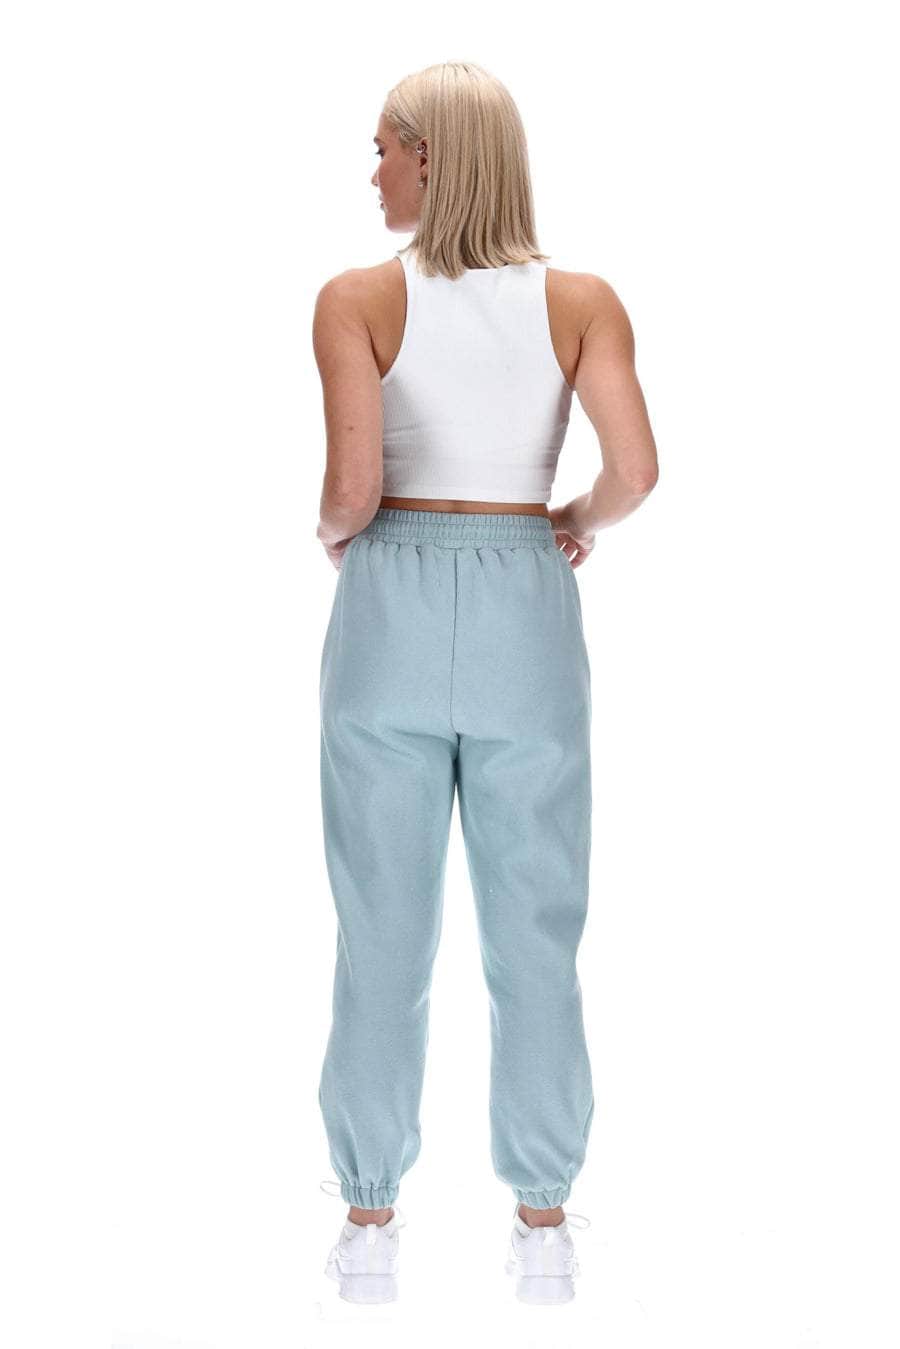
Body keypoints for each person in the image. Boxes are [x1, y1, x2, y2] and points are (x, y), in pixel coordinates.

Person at [312, 61, 659, 1305]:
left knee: (381, 929)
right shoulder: (582, 301)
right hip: (526, 596)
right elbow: (635, 469)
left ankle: (367, 1224)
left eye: (384, 148)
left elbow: (353, 488)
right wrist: (572, 519)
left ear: (431, 156)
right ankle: (545, 1223)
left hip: (391, 604)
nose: (372, 172)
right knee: (537, 929)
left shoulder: (355, 299)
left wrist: (334, 537)